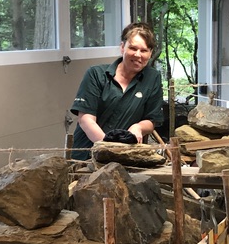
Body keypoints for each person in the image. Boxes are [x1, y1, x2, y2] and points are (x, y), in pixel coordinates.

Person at [69, 22, 164, 159]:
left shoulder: (153, 77)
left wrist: (138, 127)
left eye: (144, 50)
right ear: (122, 47)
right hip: (87, 156)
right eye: (133, 48)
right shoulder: (96, 74)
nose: (138, 55)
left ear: (150, 53)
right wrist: (108, 148)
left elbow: (151, 120)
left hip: (128, 157)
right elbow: (86, 119)